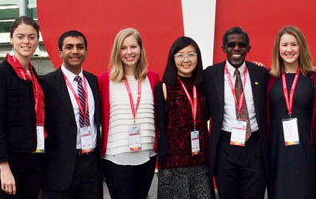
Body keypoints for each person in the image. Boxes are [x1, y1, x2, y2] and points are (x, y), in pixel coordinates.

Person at [202, 26, 269, 199]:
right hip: (225, 147)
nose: (236, 48)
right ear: (223, 48)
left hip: (254, 146)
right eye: (231, 44)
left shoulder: (261, 74)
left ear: (248, 48)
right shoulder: (210, 74)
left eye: (241, 44)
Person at [0, 16, 45, 198]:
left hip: (33, 162)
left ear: (37, 40)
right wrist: (3, 167)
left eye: (31, 36)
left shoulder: (35, 76)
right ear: (11, 39)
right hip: (8, 165)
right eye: (20, 36)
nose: (26, 41)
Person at [98, 28, 160, 199]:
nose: (129, 52)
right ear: (117, 51)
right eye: (123, 48)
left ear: (141, 49)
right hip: (115, 156)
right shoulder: (104, 80)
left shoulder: (153, 78)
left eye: (133, 46)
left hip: (147, 154)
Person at [42, 30, 102, 199]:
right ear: (60, 52)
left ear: (86, 52)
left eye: (80, 47)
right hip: (60, 169)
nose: (75, 51)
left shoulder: (93, 81)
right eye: (69, 47)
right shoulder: (47, 83)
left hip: (91, 167)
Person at [266, 25, 316, 198]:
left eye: (294, 44)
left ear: (302, 47)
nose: (289, 50)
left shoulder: (315, 78)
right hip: (276, 152)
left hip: (305, 151)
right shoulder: (268, 78)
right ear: (278, 48)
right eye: (284, 45)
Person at [155, 36, 214, 199]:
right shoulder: (164, 87)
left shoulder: (204, 86)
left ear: (198, 57)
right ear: (172, 58)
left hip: (200, 163)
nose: (186, 60)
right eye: (180, 55)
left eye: (191, 54)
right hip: (173, 166)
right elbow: (160, 126)